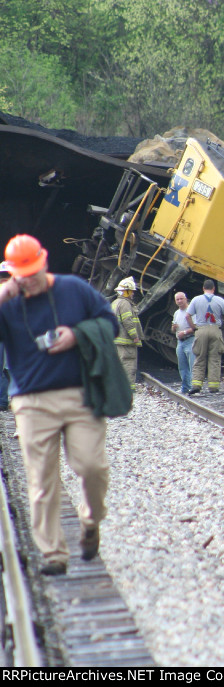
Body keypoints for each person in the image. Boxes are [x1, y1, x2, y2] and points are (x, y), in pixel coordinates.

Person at [0, 234, 121, 575]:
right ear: (12, 273)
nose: (31, 280)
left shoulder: (73, 289)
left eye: (35, 271)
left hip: (79, 395)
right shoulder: (7, 302)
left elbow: (110, 323)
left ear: (45, 261)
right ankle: (53, 553)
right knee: (41, 479)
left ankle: (91, 519)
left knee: (92, 467)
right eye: (23, 275)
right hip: (31, 401)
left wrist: (78, 334)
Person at [186, 279, 224, 394]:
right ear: (214, 289)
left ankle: (196, 385)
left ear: (203, 288)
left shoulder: (196, 299)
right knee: (215, 359)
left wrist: (193, 327)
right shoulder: (220, 300)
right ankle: (213, 387)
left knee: (199, 357)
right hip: (215, 330)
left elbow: (187, 315)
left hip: (201, 330)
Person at [111, 276, 142, 390]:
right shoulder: (125, 304)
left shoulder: (115, 303)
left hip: (117, 339)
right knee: (129, 363)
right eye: (132, 292)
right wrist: (135, 336)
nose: (133, 294)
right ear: (127, 291)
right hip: (126, 340)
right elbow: (128, 321)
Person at [171, 291, 196, 394]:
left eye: (181, 299)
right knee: (182, 367)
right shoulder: (176, 313)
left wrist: (185, 332)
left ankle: (195, 388)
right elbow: (173, 329)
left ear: (186, 299)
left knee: (193, 365)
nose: (180, 301)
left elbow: (196, 327)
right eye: (177, 299)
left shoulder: (191, 312)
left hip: (190, 340)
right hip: (180, 342)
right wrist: (173, 328)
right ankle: (185, 388)